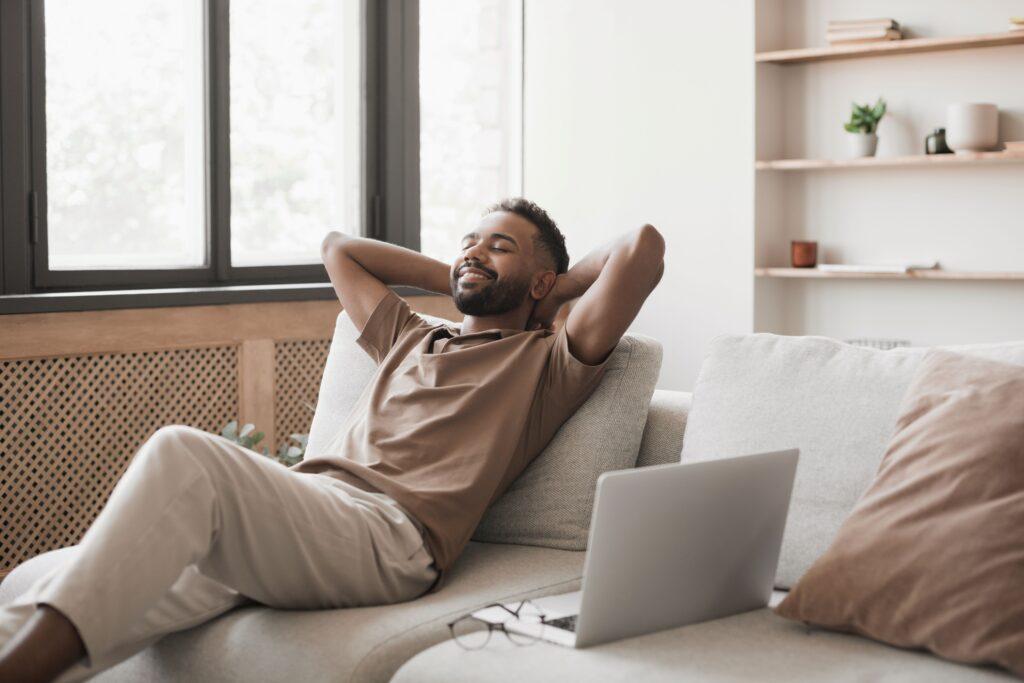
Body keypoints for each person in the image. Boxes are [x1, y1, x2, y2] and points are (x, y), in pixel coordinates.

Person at [0, 197, 664, 682]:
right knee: (61, 590)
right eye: (470, 239)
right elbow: (337, 247)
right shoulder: (411, 335)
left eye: (500, 246)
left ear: (542, 281)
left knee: (184, 454)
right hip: (311, 508)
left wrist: (551, 292)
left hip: (392, 537)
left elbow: (642, 247)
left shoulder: (546, 361)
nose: (475, 250)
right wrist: (460, 273)